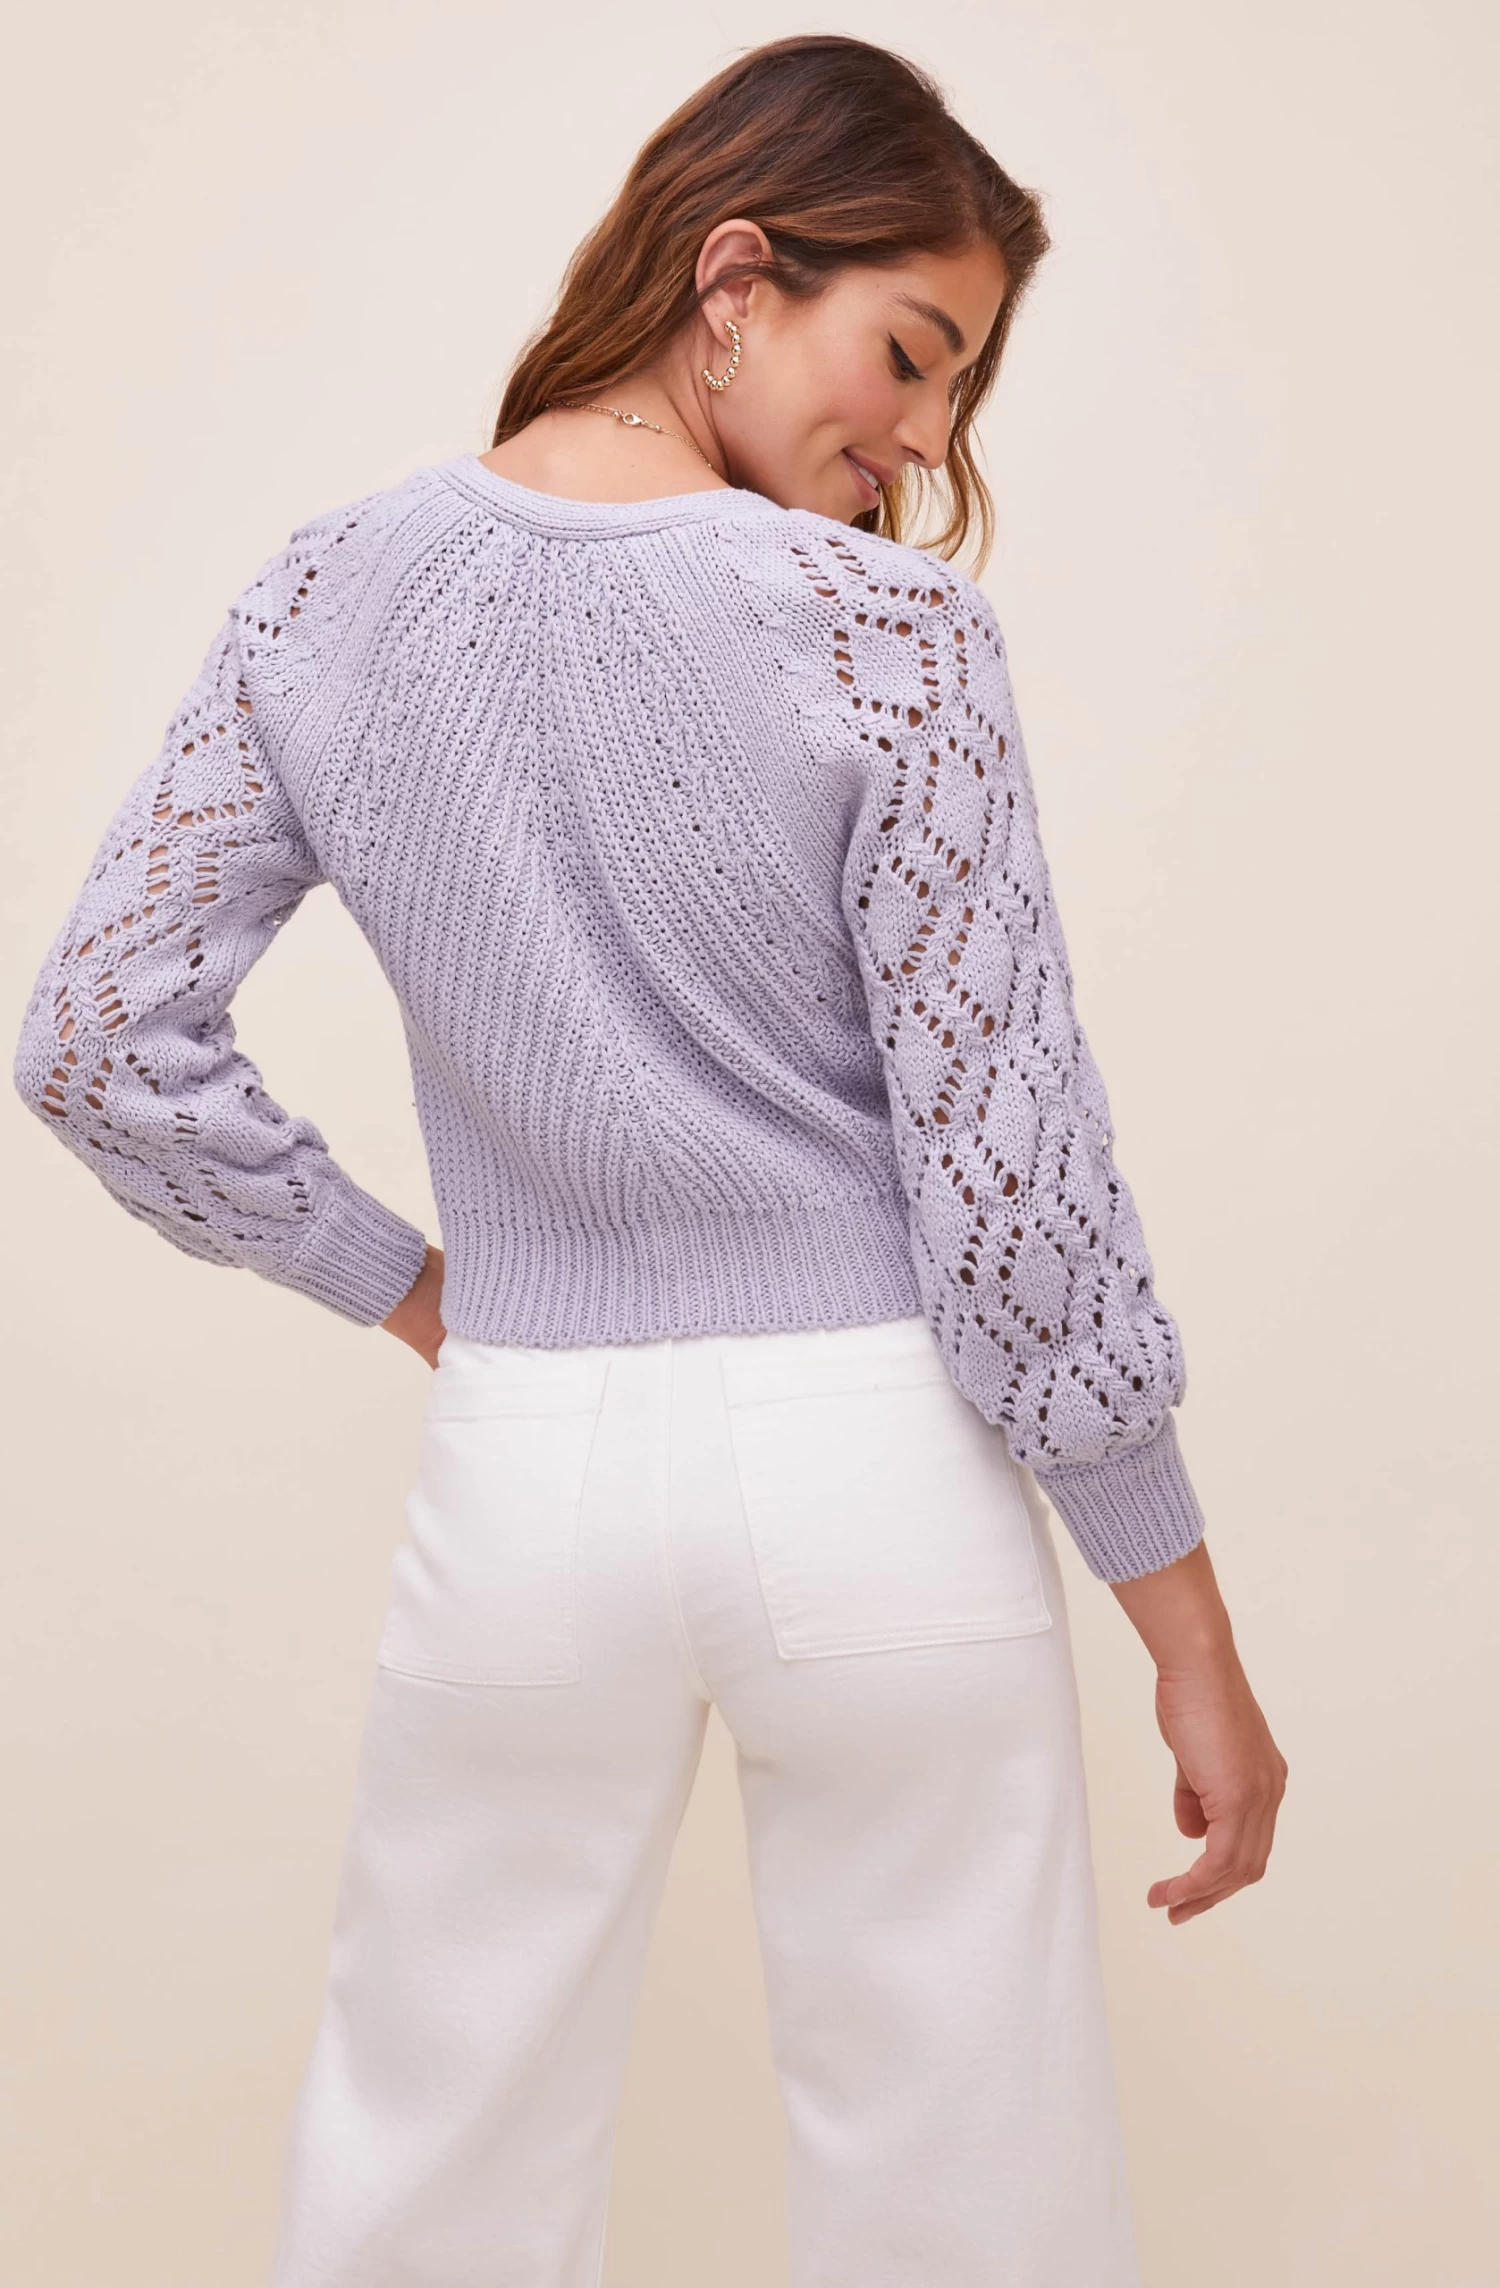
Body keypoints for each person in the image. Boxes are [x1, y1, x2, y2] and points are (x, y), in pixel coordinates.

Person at [12, 31, 1286, 2288]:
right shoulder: (893, 635)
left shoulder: (328, 593)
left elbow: (100, 1033)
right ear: (734, 274)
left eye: (962, 391)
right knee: (969, 2183)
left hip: (529, 1467)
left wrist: (422, 1293)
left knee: (424, 2166)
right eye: (914, 353)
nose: (927, 438)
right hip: (878, 1463)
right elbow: (1014, 1188)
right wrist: (1182, 1616)